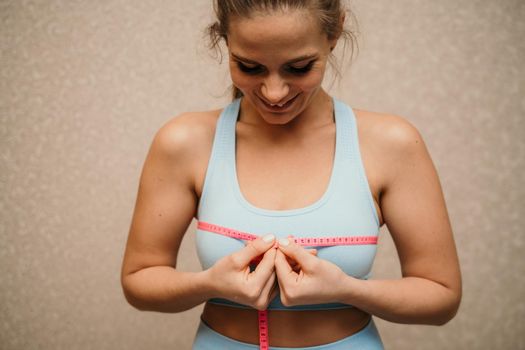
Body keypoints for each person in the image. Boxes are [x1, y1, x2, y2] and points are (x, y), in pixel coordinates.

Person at [120, 1, 462, 349]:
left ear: (334, 33)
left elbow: (441, 297)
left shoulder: (391, 144)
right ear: (225, 41)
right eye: (249, 67)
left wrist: (347, 289)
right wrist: (209, 284)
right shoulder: (185, 142)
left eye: (299, 67)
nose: (274, 93)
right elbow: (139, 282)